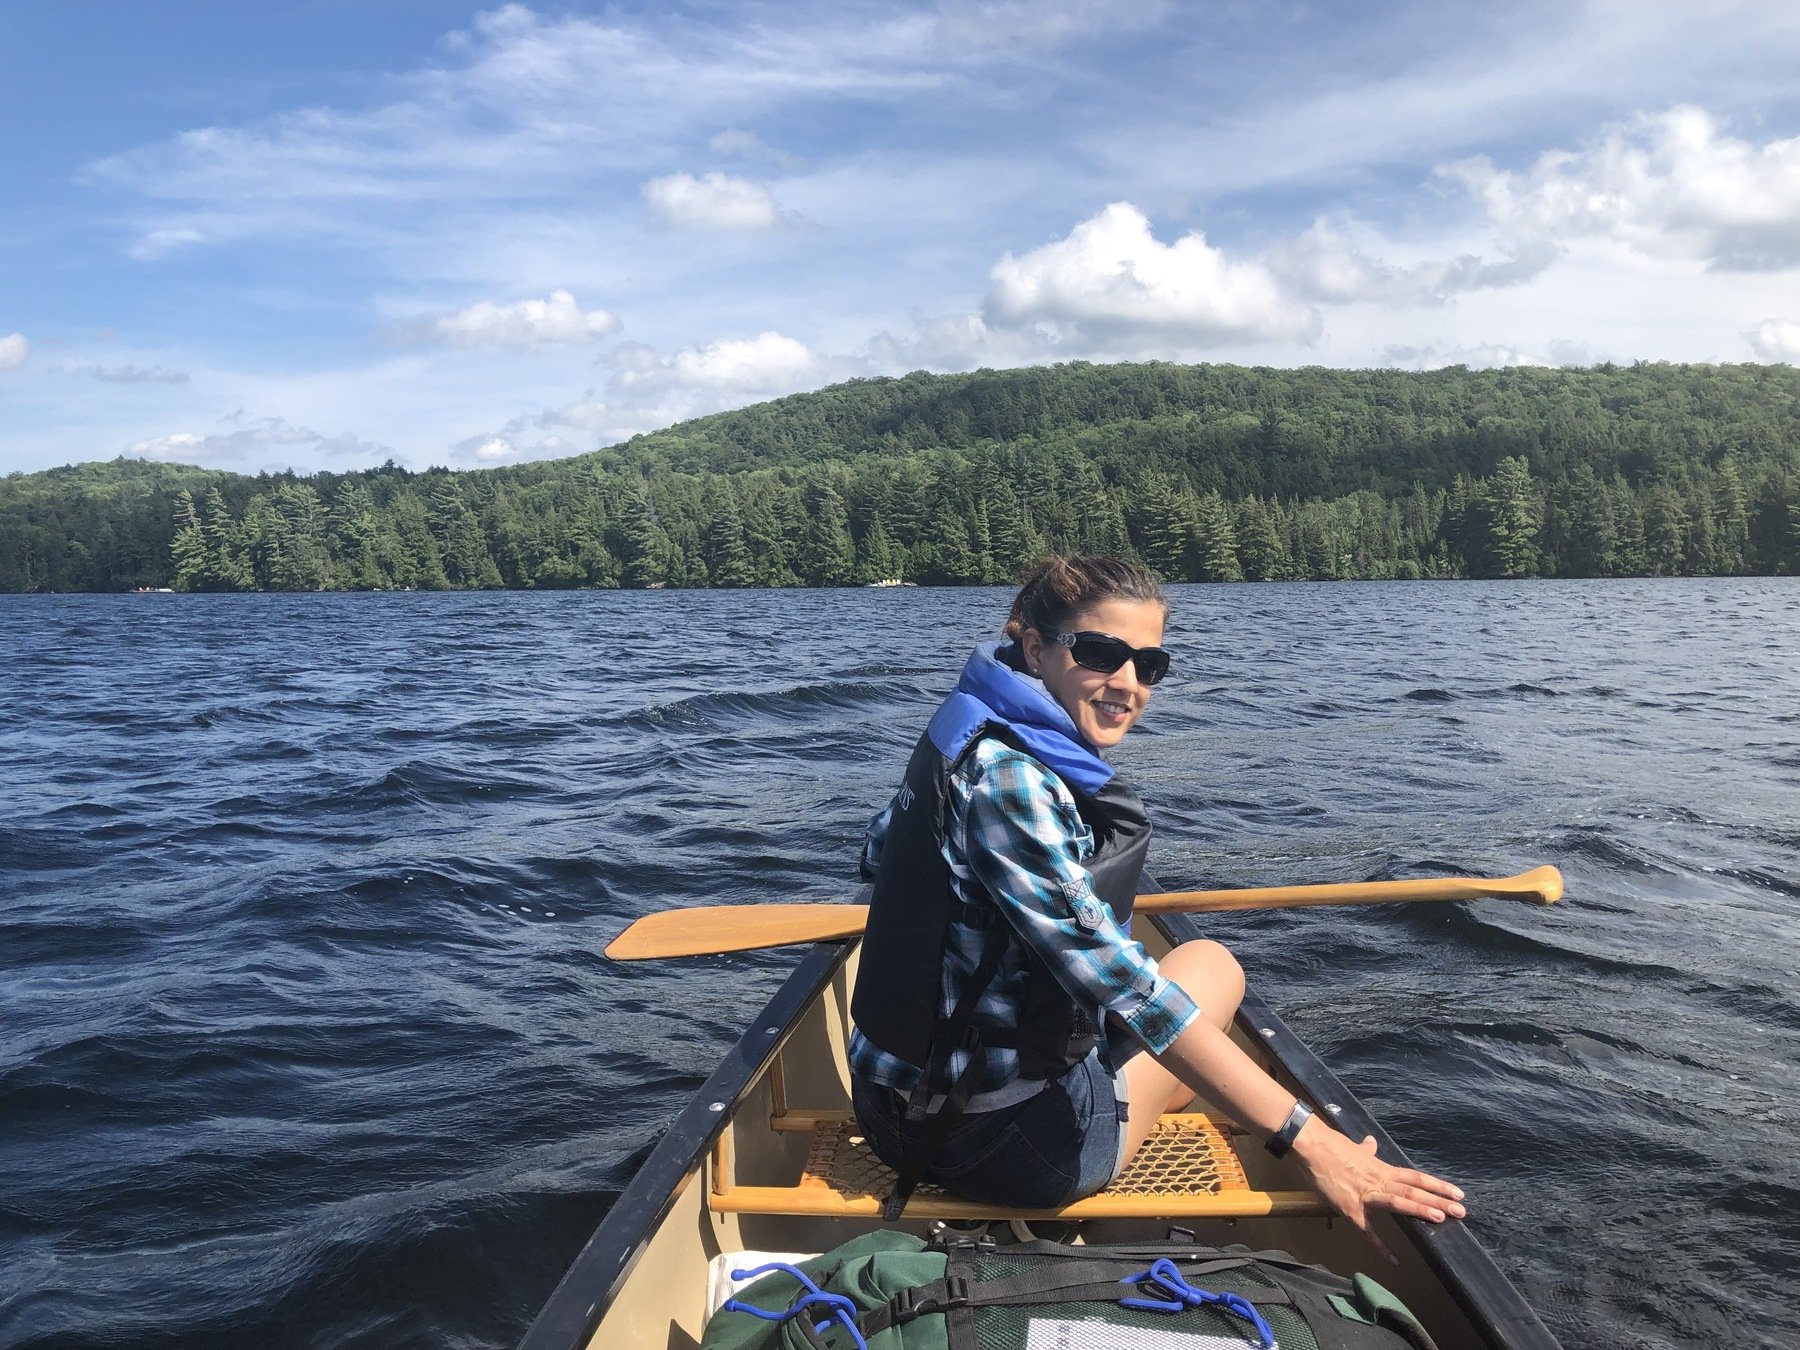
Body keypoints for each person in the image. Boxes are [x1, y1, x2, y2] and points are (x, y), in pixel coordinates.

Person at [847, 554, 1464, 1257]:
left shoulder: (964, 736)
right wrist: (1313, 1140)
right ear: (1035, 648)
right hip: (1001, 1149)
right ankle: (1098, 1194)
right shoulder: (1015, 781)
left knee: (1169, 984)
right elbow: (1128, 991)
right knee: (1213, 968)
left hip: (884, 1113)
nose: (1127, 684)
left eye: (1149, 664)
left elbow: (879, 854)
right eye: (1101, 653)